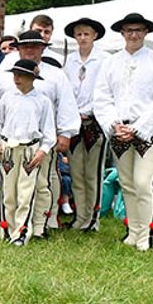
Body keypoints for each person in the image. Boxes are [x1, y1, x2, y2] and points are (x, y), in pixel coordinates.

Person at [93, 13, 153, 251]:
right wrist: (113, 124)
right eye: (129, 30)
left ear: (146, 32)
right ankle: (133, 231)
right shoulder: (110, 62)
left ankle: (146, 234)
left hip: (149, 130)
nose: (134, 34)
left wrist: (138, 128)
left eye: (138, 30)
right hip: (119, 128)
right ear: (122, 33)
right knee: (126, 182)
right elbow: (102, 97)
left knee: (143, 182)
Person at [0, 30, 78, 239]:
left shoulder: (55, 75)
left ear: (42, 48)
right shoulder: (5, 74)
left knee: (42, 185)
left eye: (34, 46)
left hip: (40, 141)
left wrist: (65, 133)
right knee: (11, 188)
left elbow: (66, 104)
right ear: (19, 48)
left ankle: (40, 225)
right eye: (25, 46)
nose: (29, 50)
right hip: (10, 141)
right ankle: (11, 226)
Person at [0, 60, 56, 246]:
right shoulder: (7, 98)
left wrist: (43, 151)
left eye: (21, 75)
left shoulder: (42, 101)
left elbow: (49, 132)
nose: (16, 78)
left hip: (30, 149)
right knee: (8, 192)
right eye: (15, 74)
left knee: (26, 193)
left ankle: (21, 231)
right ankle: (8, 228)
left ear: (32, 78)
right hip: (9, 148)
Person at [62, 17, 109, 231]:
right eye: (79, 34)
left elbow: (104, 92)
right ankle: (80, 216)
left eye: (86, 34)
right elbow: (65, 92)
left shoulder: (104, 60)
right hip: (73, 123)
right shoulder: (69, 61)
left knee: (93, 173)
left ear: (94, 36)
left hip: (94, 122)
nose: (82, 38)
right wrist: (72, 114)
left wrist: (87, 112)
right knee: (76, 172)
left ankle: (93, 218)